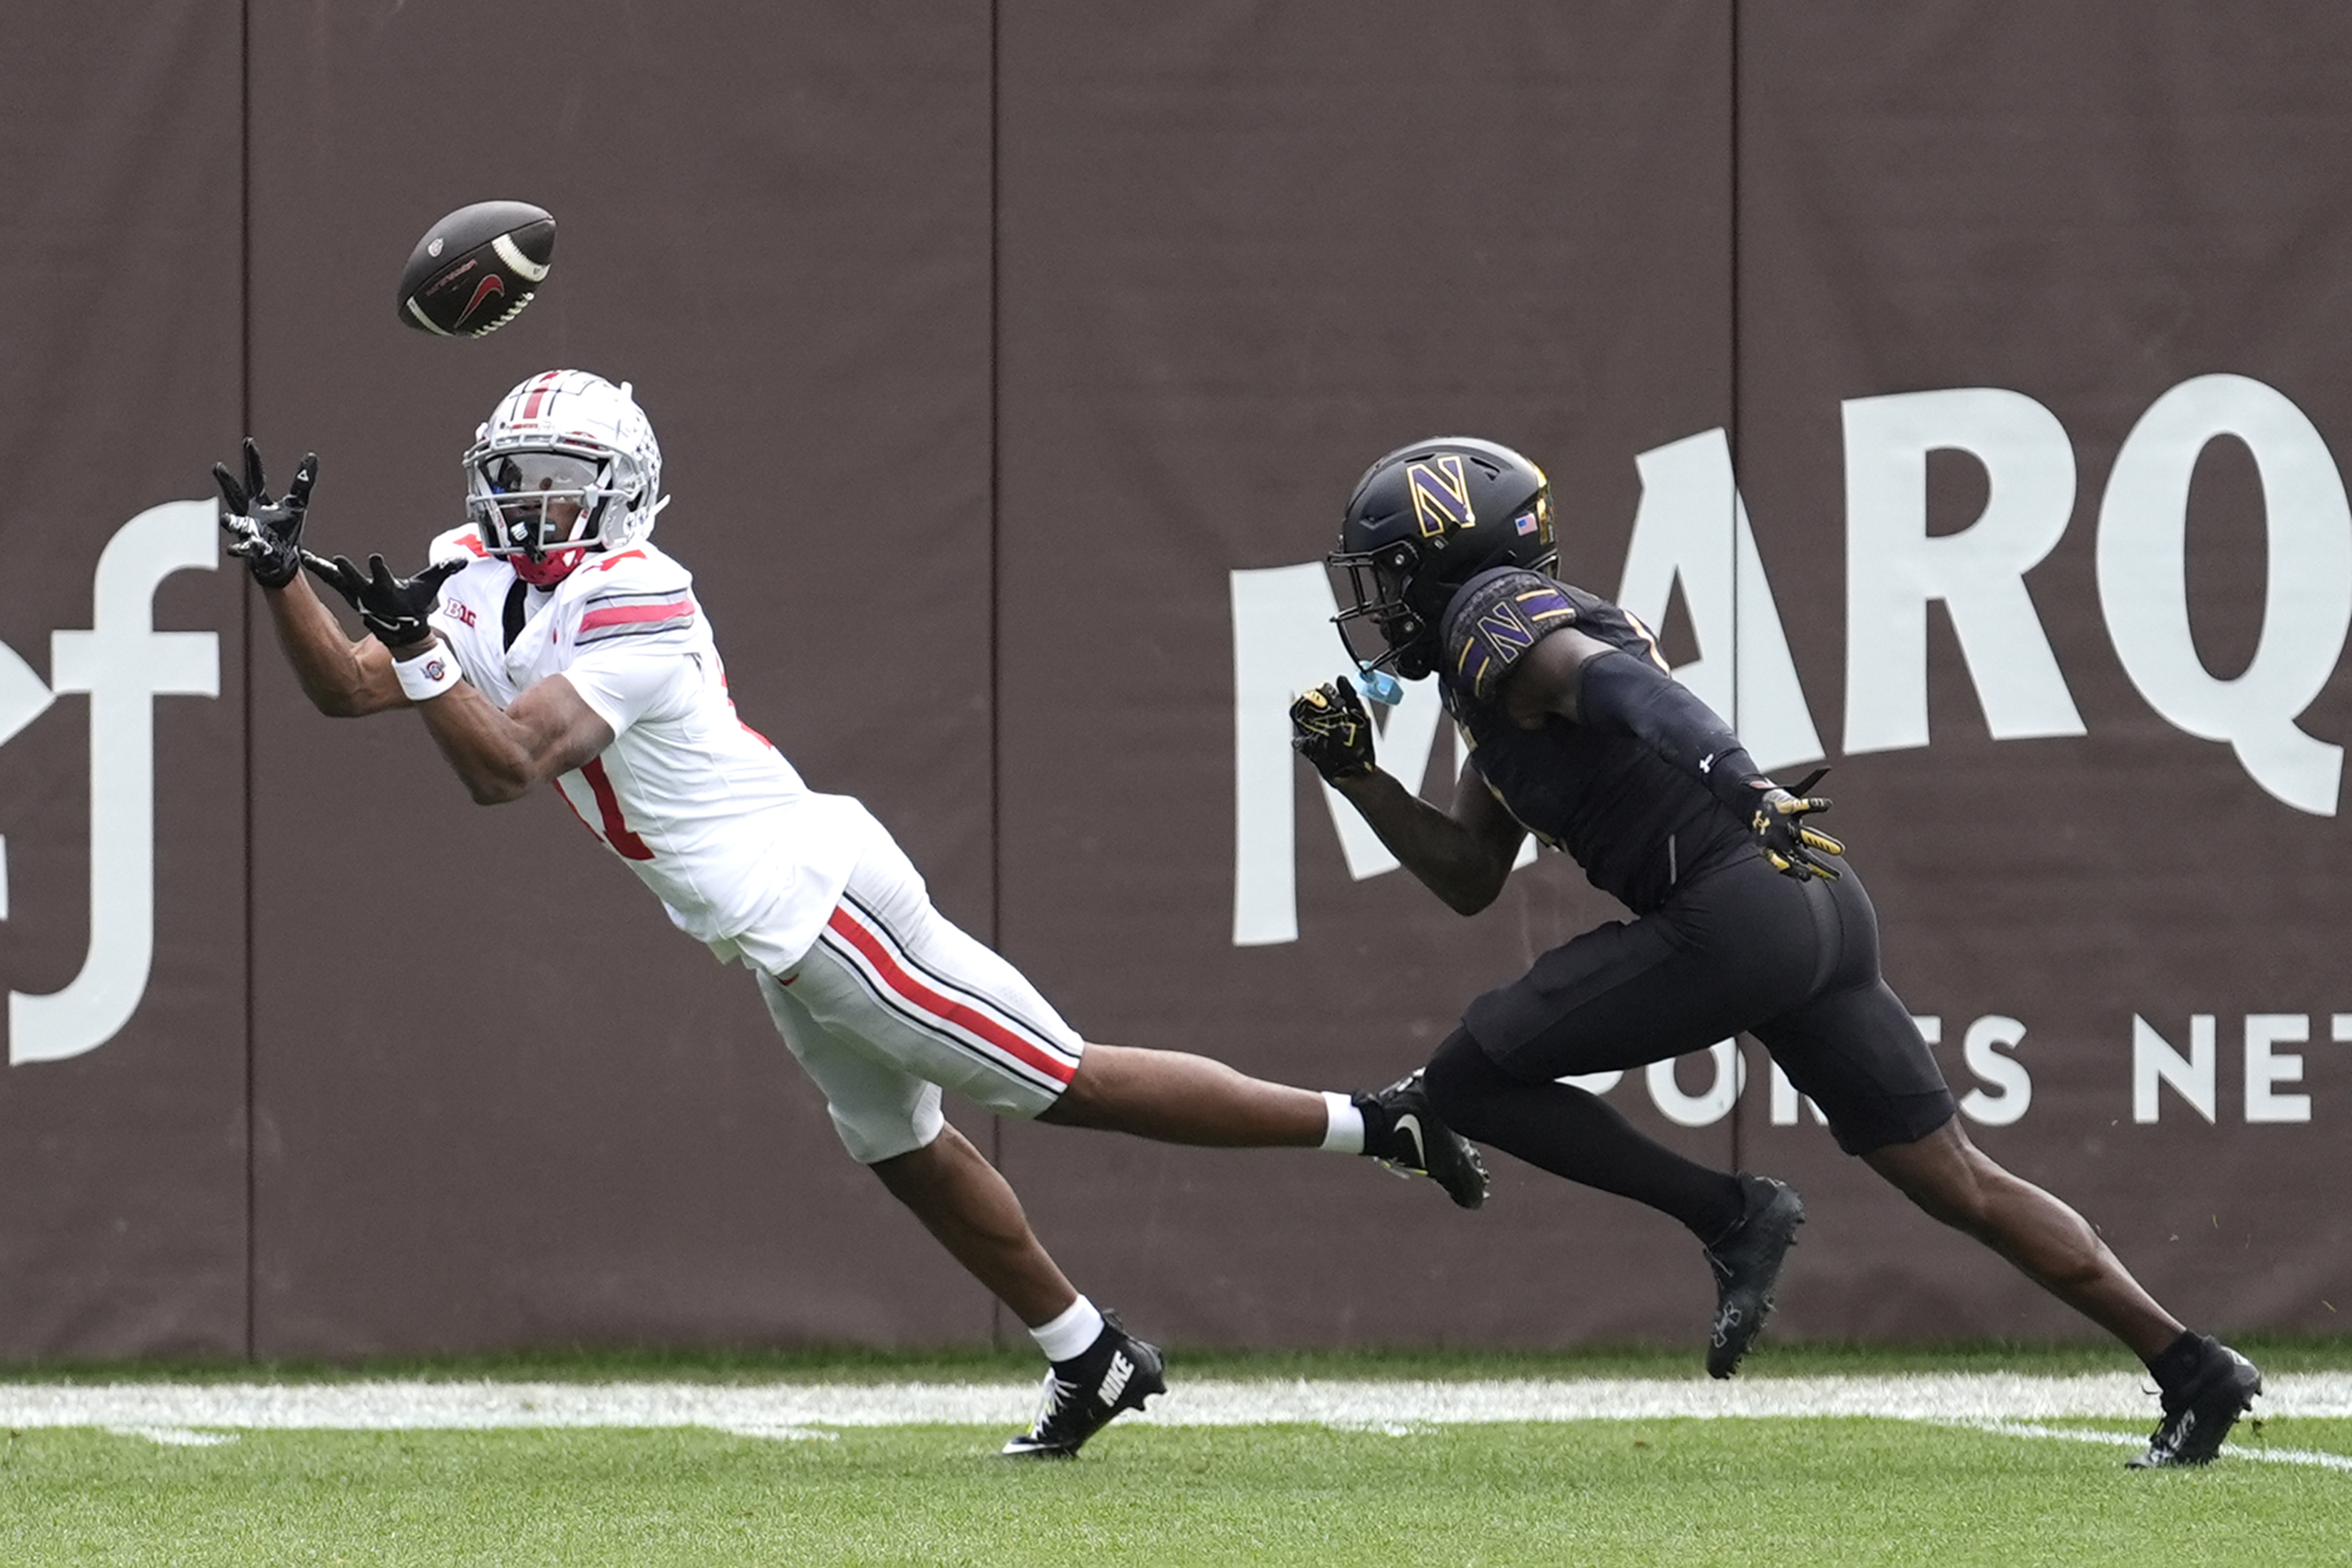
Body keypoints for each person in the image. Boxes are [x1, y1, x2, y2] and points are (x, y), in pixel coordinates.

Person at [211, 369, 1489, 1460]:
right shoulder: (471, 575)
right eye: (516, 473)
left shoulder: (641, 591)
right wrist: (280, 584)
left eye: (558, 476)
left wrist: (428, 658)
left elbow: (504, 764)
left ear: (624, 490)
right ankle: (1089, 1353)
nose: (527, 499)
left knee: (1063, 1082)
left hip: (818, 896)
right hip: (770, 923)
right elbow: (352, 691)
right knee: (898, 1148)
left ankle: (1379, 1123)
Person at [1287, 435, 2261, 1469]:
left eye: (1391, 573)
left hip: (1734, 902)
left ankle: (1730, 1212)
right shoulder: (1486, 676)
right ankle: (2190, 1363)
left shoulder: (1492, 614)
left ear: (1452, 552)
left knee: (1468, 1078)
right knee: (1957, 1181)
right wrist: (1361, 779)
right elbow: (1475, 875)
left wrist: (1743, 782)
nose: (1381, 603)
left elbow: (1621, 687)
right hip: (1810, 901)